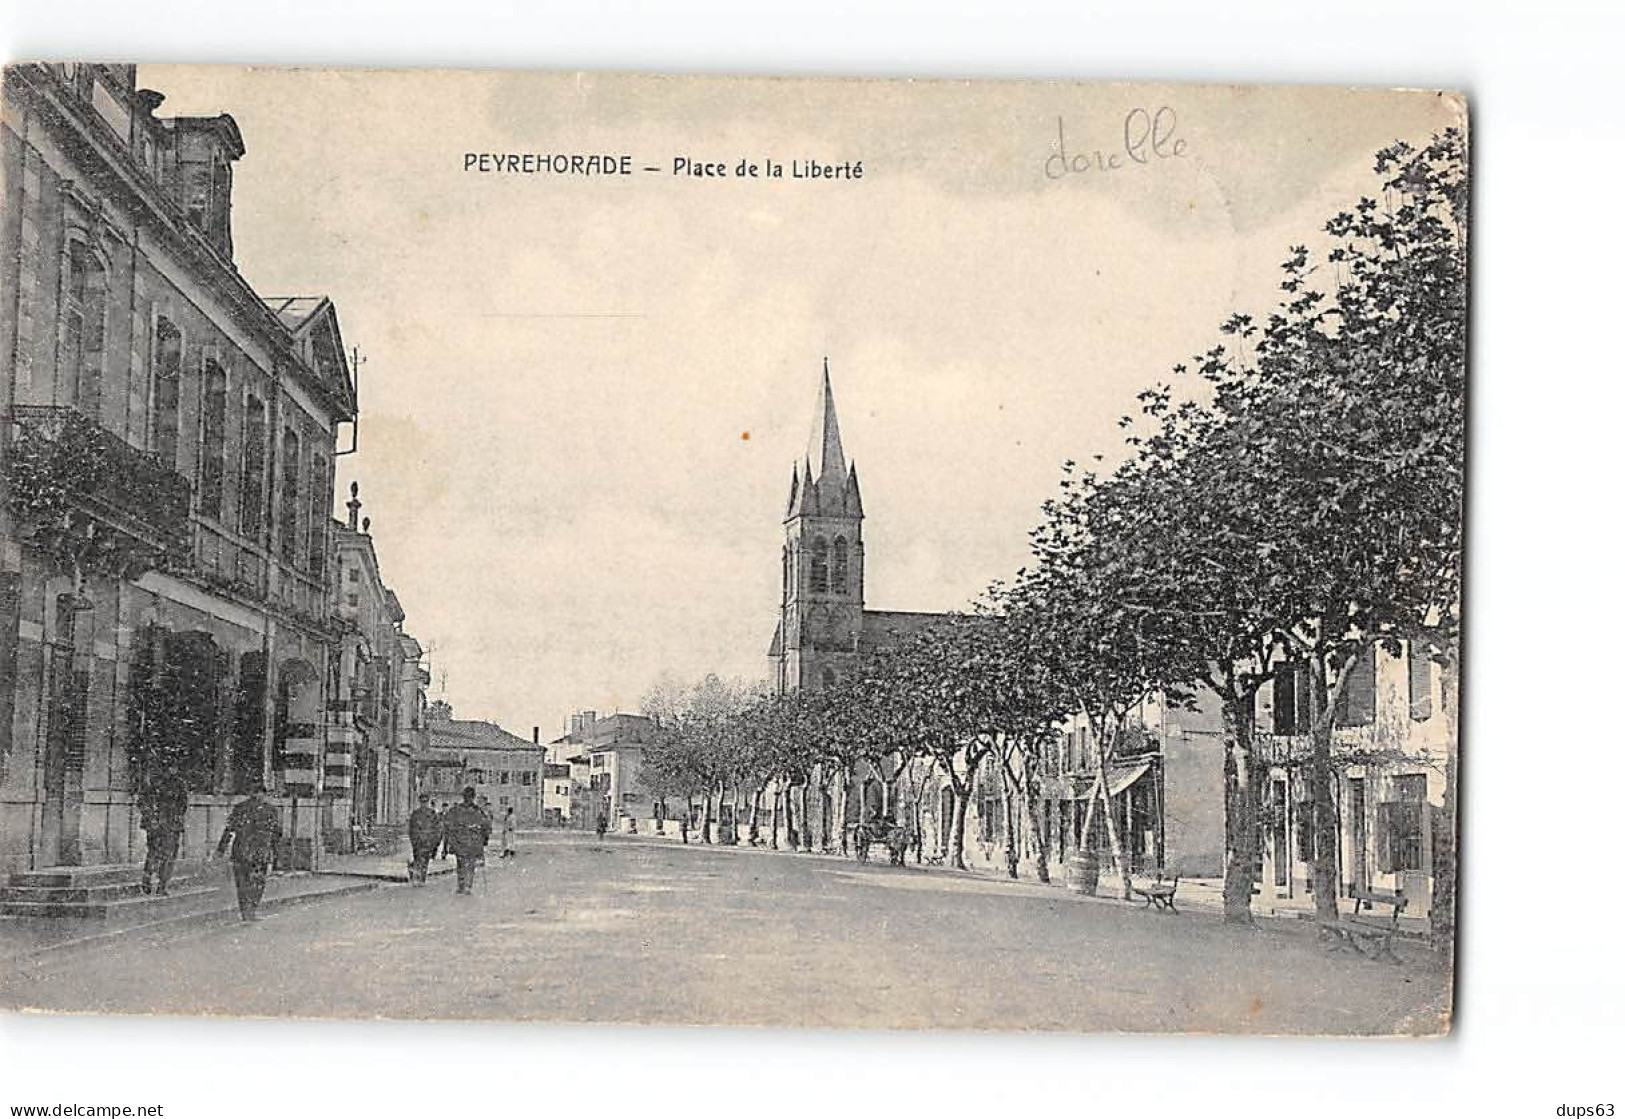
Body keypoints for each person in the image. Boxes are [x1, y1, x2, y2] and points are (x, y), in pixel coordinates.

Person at [215, 781, 282, 921]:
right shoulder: (270, 810)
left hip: (243, 851)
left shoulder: (240, 808)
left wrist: (221, 849)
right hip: (259, 852)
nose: (258, 795)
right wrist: (276, 856)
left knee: (244, 883)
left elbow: (229, 830)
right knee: (256, 882)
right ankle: (251, 910)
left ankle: (246, 911)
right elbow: (276, 835)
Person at [138, 777, 187, 895]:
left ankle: (150, 879)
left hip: (159, 824)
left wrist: (151, 819)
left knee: (156, 852)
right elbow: (183, 805)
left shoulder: (152, 780)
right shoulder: (177, 783)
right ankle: (159, 884)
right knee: (166, 855)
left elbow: (142, 802)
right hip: (167, 824)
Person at [441, 787, 491, 895]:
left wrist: (451, 839)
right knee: (470, 864)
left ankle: (462, 885)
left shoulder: (456, 810)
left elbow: (447, 825)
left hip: (461, 842)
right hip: (472, 842)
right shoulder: (478, 811)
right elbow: (486, 827)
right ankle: (467, 885)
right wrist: (484, 841)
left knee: (461, 864)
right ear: (473, 797)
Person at [407, 793, 443, 885]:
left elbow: (437, 828)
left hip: (428, 841)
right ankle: (417, 877)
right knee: (418, 858)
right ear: (420, 802)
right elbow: (411, 828)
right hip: (418, 841)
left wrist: (435, 842)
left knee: (425, 860)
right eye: (422, 802)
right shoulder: (415, 814)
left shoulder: (433, 814)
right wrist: (413, 840)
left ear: (428, 802)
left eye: (425, 802)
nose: (424, 804)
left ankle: (422, 878)